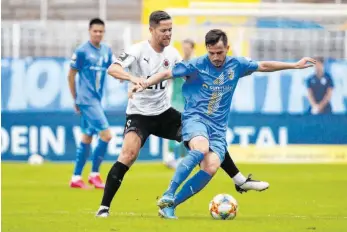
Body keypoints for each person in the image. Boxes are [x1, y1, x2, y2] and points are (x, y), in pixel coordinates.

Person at [95, 11, 269, 218]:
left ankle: (238, 179)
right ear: (151, 30)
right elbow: (113, 69)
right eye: (163, 30)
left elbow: (185, 72)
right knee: (128, 155)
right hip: (139, 115)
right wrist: (133, 79)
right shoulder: (136, 50)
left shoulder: (173, 54)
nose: (168, 34)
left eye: (170, 30)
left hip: (164, 113)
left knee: (206, 141)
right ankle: (104, 208)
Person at [134, 29, 316, 219]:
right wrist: (144, 84)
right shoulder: (196, 65)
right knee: (201, 148)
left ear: (227, 48)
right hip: (196, 119)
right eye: (211, 53)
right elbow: (166, 74)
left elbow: (263, 65)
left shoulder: (236, 64)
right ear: (206, 49)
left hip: (218, 128)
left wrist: (294, 65)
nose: (215, 57)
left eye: (220, 52)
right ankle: (168, 193)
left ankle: (170, 206)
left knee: (211, 166)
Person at [68, 18, 113, 189]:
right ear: (89, 31)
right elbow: (71, 75)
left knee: (87, 137)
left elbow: (113, 68)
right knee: (107, 135)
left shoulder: (106, 50)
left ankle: (76, 177)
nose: (98, 34)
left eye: (101, 31)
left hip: (96, 100)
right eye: (95, 31)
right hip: (86, 100)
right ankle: (94, 174)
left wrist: (125, 78)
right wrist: (76, 99)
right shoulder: (81, 51)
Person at [166, 39, 196, 169]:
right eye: (184, 47)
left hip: (189, 103)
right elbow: (168, 77)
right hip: (175, 101)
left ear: (192, 49)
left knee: (186, 132)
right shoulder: (178, 64)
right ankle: (172, 157)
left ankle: (183, 158)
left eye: (188, 48)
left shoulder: (195, 65)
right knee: (174, 129)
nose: (185, 50)